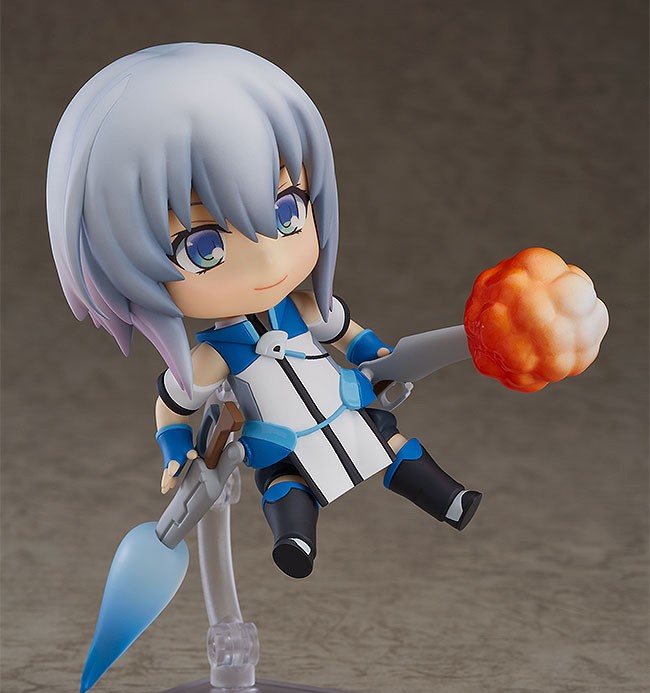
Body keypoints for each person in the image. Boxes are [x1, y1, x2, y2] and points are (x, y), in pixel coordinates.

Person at [47, 43, 481, 579]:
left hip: (345, 408)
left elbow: (349, 334)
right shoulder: (214, 355)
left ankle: (448, 499)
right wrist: (175, 449)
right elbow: (174, 406)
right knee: (287, 485)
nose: (269, 260)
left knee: (389, 444)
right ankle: (295, 541)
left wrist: (379, 354)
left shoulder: (304, 308)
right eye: (203, 246)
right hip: (283, 440)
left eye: (286, 209)